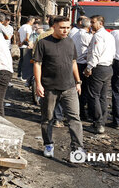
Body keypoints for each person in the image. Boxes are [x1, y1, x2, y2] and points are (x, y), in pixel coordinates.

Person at [32, 15, 84, 162]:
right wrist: (38, 84)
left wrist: (78, 81)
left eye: (67, 28)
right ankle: (48, 144)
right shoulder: (43, 43)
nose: (65, 30)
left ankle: (77, 149)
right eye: (62, 27)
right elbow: (37, 64)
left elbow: (73, 63)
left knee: (74, 119)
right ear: (54, 27)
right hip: (49, 88)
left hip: (69, 88)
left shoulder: (70, 42)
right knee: (47, 119)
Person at [83, 15, 115, 134]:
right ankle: (101, 121)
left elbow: (96, 53)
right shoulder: (109, 35)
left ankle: (98, 123)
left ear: (101, 23)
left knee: (94, 95)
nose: (91, 25)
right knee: (102, 96)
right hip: (107, 67)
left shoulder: (98, 35)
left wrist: (89, 67)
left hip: (99, 68)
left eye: (93, 22)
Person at [70, 16, 93, 121]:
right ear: (88, 26)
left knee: (75, 88)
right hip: (83, 65)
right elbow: (92, 49)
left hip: (74, 64)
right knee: (84, 90)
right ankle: (82, 113)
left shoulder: (74, 34)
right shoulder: (88, 36)